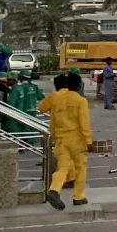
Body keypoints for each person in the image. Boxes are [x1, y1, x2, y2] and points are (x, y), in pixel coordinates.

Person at [38, 73, 91, 209]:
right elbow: (84, 123)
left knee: (62, 168)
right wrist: (88, 141)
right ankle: (78, 197)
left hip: (61, 139)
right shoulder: (81, 101)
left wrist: (55, 138)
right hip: (77, 140)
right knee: (80, 168)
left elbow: (53, 122)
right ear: (79, 86)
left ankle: (54, 189)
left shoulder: (57, 100)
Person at [3, 70, 45, 135]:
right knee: (31, 128)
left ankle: (25, 143)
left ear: (21, 78)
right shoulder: (34, 86)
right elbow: (41, 97)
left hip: (24, 110)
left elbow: (15, 100)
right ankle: (30, 142)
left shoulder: (19, 87)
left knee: (24, 129)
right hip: (33, 109)